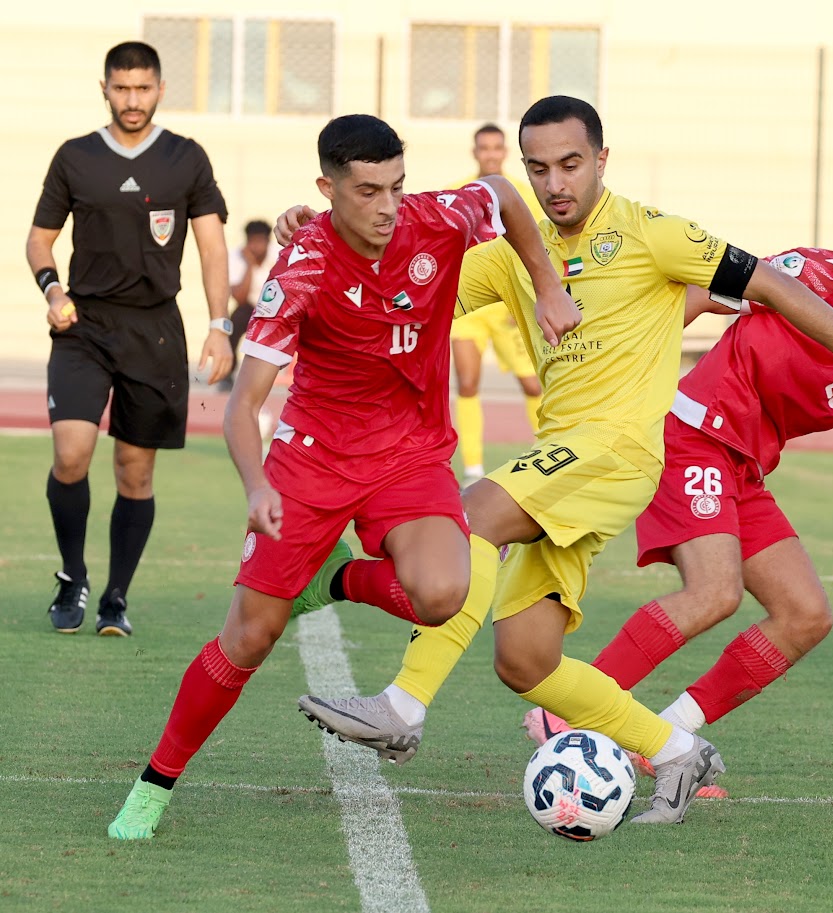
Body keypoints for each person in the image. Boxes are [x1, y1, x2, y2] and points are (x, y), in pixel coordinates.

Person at [288, 96, 833, 825]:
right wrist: (331, 241)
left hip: (614, 452)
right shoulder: (510, 258)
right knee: (525, 662)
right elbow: (395, 295)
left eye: (570, 164)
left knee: (467, 521)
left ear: (601, 160)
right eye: (538, 169)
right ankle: (677, 751)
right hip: (561, 459)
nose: (555, 184)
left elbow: (775, 285)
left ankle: (401, 705)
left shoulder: (654, 236)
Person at [105, 113, 578, 839]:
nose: (387, 206)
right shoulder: (303, 265)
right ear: (327, 189)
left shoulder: (438, 219)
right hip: (312, 460)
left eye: (396, 186)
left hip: (410, 454)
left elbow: (504, 194)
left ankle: (334, 580)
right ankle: (154, 783)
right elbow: (244, 405)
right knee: (250, 637)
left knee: (443, 594)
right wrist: (257, 484)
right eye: (366, 191)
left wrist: (547, 285)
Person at [521, 170, 833, 786]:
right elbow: (697, 293)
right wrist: (619, 362)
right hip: (691, 435)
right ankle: (560, 716)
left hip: (743, 467)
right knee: (715, 593)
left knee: (805, 615)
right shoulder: (815, 276)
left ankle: (663, 740)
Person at [26, 41, 232, 637]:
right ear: (105, 89)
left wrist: (220, 326)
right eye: (122, 88)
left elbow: (213, 246)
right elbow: (39, 239)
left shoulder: (186, 158)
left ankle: (116, 597)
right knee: (70, 456)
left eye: (143, 88)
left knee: (134, 474)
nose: (132, 100)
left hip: (155, 331)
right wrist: (52, 290)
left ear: (160, 89)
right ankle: (72, 577)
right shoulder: (75, 157)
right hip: (83, 325)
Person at [451, 124, 544, 486]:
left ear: (505, 153)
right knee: (469, 383)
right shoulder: (458, 192)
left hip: (509, 306)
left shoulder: (523, 194)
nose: (490, 153)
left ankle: (544, 454)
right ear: (475, 152)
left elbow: (537, 249)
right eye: (483, 148)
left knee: (534, 385)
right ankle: (473, 470)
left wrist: (524, 296)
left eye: (496, 148)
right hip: (468, 311)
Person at [218, 219, 276, 392]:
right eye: (253, 242)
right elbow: (240, 298)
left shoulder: (280, 255)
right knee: (231, 326)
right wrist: (249, 265)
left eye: (260, 242)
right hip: (250, 305)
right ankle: (227, 373)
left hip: (277, 307)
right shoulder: (236, 257)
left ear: (268, 241)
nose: (256, 247)